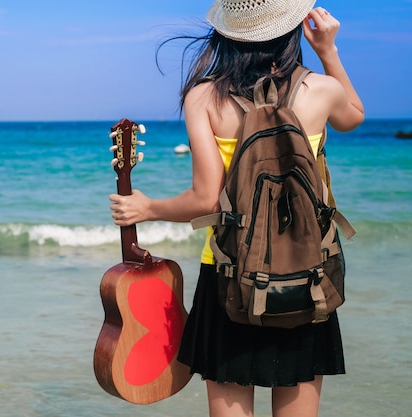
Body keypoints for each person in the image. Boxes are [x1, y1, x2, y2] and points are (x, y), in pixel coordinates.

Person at [108, 1, 364, 416]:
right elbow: (354, 118)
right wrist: (328, 50)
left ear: (228, 32)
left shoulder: (204, 97)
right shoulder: (322, 90)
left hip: (229, 273)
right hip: (310, 271)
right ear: (292, 26)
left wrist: (147, 207)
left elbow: (205, 200)